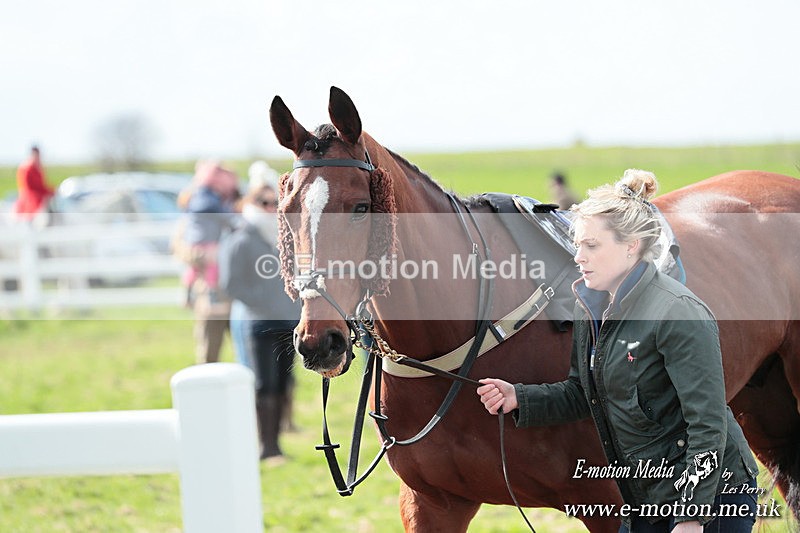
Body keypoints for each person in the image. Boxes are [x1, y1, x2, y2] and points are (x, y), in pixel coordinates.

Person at [477, 169, 759, 532]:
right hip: (644, 496)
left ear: (631, 246)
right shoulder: (589, 306)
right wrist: (519, 397)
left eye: (591, 246)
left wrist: (692, 517)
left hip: (714, 498)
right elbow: (584, 393)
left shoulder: (678, 313)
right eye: (576, 244)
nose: (578, 257)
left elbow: (708, 424)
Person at [219, 180, 301, 463]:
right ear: (253, 204)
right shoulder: (241, 237)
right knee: (264, 384)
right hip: (260, 322)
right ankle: (265, 446)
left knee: (283, 382)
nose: (271, 208)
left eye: (275, 202)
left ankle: (274, 444)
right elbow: (231, 283)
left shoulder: (286, 236)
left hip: (288, 321)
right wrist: (264, 301)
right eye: (265, 202)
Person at [173, 160, 240, 364]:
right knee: (209, 351)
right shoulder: (199, 209)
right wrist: (206, 256)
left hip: (239, 292)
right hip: (211, 294)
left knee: (246, 351)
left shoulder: (235, 204)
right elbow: (181, 247)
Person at [14, 145, 54, 225]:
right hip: (31, 198)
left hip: (37, 195)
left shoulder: (37, 168)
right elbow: (29, 187)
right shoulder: (27, 168)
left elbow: (42, 185)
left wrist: (52, 191)